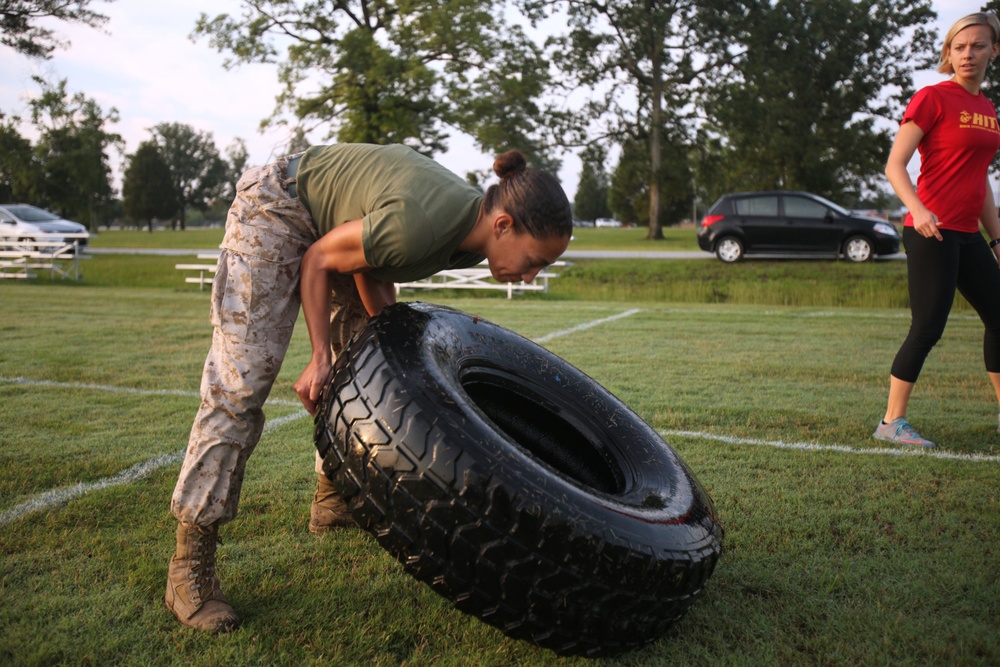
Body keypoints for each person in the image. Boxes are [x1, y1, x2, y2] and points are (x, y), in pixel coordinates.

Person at [165, 144, 573, 632]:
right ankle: (189, 567)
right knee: (241, 386)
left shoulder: (467, 229)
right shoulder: (425, 223)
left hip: (327, 229)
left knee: (370, 360)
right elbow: (319, 258)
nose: (530, 277)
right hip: (277, 207)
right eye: (534, 261)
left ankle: (332, 497)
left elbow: (368, 262)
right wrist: (319, 357)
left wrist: (387, 339)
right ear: (504, 224)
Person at [874, 12, 1000, 448]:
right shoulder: (932, 98)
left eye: (978, 46)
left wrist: (997, 237)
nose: (968, 54)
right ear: (949, 53)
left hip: (968, 233)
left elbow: (979, 177)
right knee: (928, 327)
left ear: (994, 51)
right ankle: (892, 421)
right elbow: (895, 165)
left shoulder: (987, 108)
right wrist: (919, 210)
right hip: (931, 231)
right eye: (959, 47)